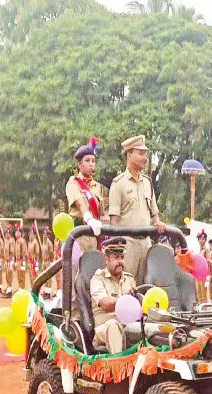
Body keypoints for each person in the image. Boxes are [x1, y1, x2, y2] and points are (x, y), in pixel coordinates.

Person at [108, 135, 166, 283]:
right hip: (128, 244)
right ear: (129, 154)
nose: (145, 157)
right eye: (140, 153)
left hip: (146, 242)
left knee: (146, 285)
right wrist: (118, 250)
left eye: (145, 153)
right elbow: (114, 221)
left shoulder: (147, 182)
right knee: (126, 285)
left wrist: (158, 222)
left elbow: (154, 214)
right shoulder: (118, 183)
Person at [90, 237, 137, 354]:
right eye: (116, 258)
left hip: (128, 326)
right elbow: (105, 304)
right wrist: (124, 299)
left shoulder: (129, 279)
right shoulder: (97, 279)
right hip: (105, 328)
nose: (120, 262)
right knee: (113, 326)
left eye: (122, 258)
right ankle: (119, 370)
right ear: (106, 259)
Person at [65, 140, 105, 253]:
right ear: (79, 164)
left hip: (93, 235)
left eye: (93, 161)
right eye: (87, 160)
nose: (91, 164)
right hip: (78, 234)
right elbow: (80, 203)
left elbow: (101, 213)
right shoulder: (73, 183)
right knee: (76, 269)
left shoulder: (98, 187)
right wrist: (88, 218)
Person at [195, 230, 208, 302]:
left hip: (204, 274)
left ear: (205, 240)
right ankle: (200, 306)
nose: (201, 241)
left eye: (203, 239)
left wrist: (207, 275)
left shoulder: (206, 250)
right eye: (200, 239)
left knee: (204, 293)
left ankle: (204, 308)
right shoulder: (199, 250)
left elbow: (208, 263)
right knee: (199, 291)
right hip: (198, 274)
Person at [41, 227, 54, 300]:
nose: (44, 236)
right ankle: (45, 291)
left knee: (49, 278)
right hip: (43, 262)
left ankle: (48, 293)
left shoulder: (49, 243)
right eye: (43, 234)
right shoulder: (43, 242)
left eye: (45, 235)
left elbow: (51, 253)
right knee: (45, 278)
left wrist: (50, 262)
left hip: (48, 261)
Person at [4, 224, 16, 299]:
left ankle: (9, 290)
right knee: (7, 275)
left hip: (10, 260)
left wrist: (10, 260)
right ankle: (8, 288)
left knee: (9, 275)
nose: (6, 235)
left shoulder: (11, 241)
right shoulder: (6, 241)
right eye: (6, 234)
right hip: (7, 260)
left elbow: (11, 252)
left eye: (7, 234)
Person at [15, 226, 28, 291]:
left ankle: (22, 289)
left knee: (22, 276)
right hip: (18, 261)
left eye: (18, 232)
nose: (16, 233)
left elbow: (23, 252)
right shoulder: (17, 241)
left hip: (21, 260)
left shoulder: (22, 241)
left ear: (21, 233)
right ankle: (20, 288)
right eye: (16, 232)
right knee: (19, 275)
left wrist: (21, 260)